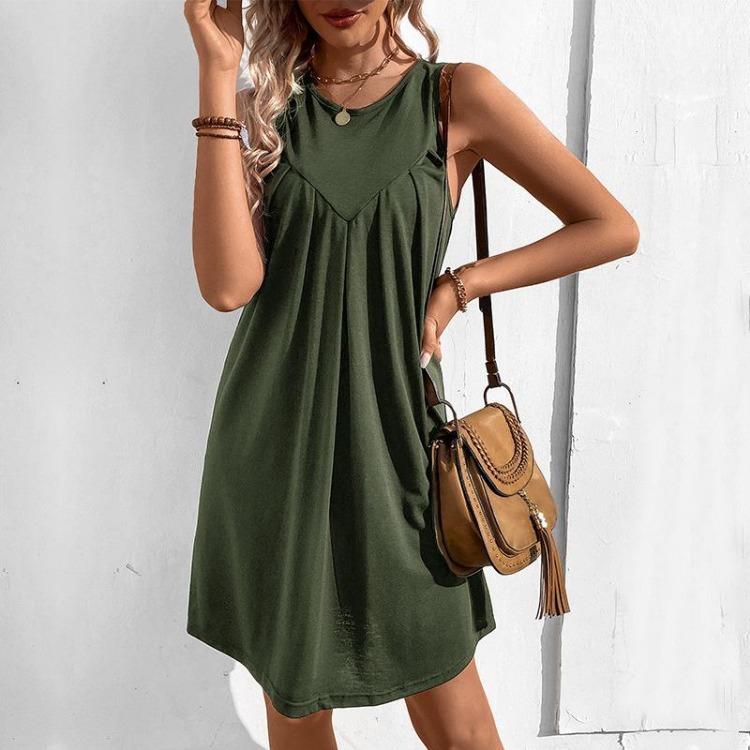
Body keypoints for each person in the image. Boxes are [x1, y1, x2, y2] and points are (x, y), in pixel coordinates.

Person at [183, 1, 639, 748]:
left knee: (463, 732)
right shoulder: (262, 108)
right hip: (275, 452)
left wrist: (462, 285)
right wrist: (216, 72)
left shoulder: (456, 96)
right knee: (297, 718)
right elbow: (228, 287)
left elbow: (610, 227)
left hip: (399, 451)